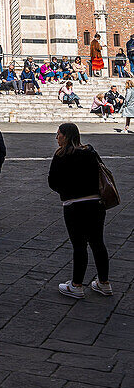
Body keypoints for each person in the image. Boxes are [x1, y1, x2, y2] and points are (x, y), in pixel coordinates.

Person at [47, 122, 112, 298]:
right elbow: (102, 172)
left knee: (79, 245)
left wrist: (67, 191)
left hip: (74, 205)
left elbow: (52, 182)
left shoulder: (61, 155)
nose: (56, 137)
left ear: (66, 136)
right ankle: (104, 283)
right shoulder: (89, 151)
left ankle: (76, 285)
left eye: (58, 134)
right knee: (98, 242)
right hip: (96, 204)